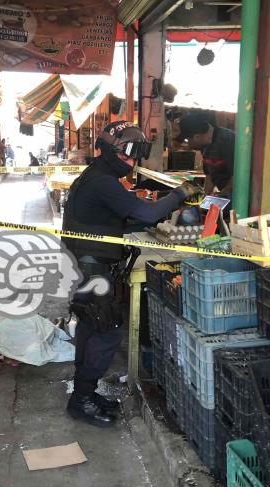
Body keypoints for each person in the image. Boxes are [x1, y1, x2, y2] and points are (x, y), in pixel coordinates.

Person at [61, 120, 199, 427]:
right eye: (125, 156)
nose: (130, 162)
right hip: (90, 268)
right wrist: (181, 193)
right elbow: (148, 213)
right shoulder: (103, 182)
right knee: (106, 332)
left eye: (135, 157)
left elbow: (118, 216)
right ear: (110, 151)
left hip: (81, 264)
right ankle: (80, 399)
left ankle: (84, 392)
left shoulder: (96, 176)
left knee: (89, 326)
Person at [176, 111, 234, 198]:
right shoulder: (205, 145)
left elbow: (237, 176)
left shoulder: (227, 141)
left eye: (188, 141)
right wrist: (204, 197)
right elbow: (209, 175)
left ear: (197, 137)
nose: (188, 145)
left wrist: (223, 194)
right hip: (225, 193)